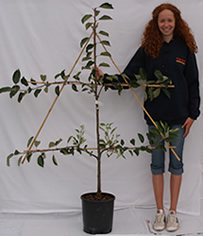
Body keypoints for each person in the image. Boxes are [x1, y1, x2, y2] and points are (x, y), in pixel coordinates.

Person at [95, 3, 200, 232]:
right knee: (156, 165)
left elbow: (193, 84)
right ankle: (159, 212)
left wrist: (193, 115)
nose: (166, 24)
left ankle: (173, 212)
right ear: (156, 23)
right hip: (155, 118)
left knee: (176, 165)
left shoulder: (185, 50)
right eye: (161, 20)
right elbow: (129, 76)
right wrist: (106, 80)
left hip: (179, 120)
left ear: (176, 22)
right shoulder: (148, 49)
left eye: (169, 20)